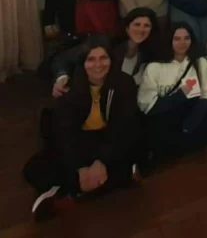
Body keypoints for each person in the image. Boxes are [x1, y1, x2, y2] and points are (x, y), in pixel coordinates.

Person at [24, 37, 142, 221]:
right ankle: (113, 179)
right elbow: (65, 134)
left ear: (111, 60)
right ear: (83, 63)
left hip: (109, 140)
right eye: (91, 59)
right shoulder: (70, 88)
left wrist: (100, 162)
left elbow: (121, 127)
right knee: (32, 170)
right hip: (81, 142)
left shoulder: (123, 83)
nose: (98, 65)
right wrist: (80, 169)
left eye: (103, 58)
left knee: (130, 149)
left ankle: (69, 191)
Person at [138, 22, 207, 160]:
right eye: (177, 39)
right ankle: (206, 138)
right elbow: (147, 105)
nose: (182, 43)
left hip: (193, 111)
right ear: (169, 40)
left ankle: (189, 139)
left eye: (187, 38)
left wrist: (191, 123)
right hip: (165, 114)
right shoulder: (154, 67)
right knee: (158, 137)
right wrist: (179, 96)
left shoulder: (200, 62)